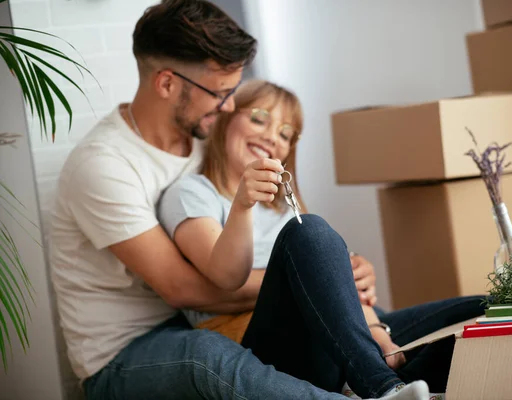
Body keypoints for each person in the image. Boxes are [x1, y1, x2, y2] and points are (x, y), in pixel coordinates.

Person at [48, 1, 483, 399]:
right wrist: (318, 276)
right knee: (208, 354)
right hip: (129, 351)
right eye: (220, 92)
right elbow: (184, 289)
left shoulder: (208, 141)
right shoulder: (104, 166)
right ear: (167, 83)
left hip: (245, 316)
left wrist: (338, 274)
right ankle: (382, 392)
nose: (230, 105)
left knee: (470, 312)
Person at [157, 79, 486, 399]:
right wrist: (318, 274)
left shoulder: (284, 208)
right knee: (311, 232)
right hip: (265, 343)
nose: (272, 136)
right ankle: (383, 388)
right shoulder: (191, 194)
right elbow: (224, 277)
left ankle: (392, 379)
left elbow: (344, 293)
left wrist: (376, 332)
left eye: (285, 134)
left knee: (483, 310)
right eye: (260, 118)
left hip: (340, 335)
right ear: (227, 115)